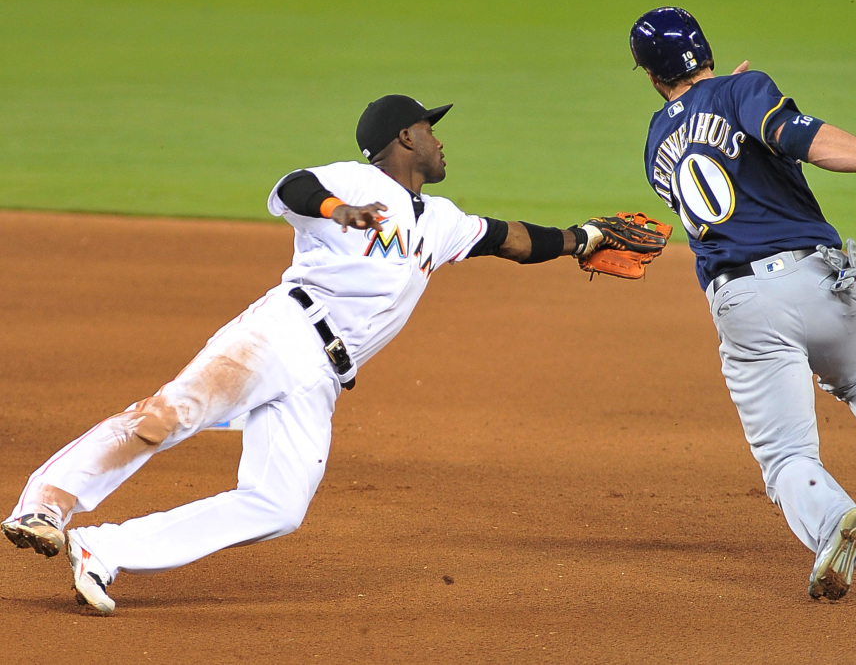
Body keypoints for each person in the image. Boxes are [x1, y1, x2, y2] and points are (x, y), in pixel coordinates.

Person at [2, 94, 620, 614]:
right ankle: (44, 507)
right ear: (404, 136)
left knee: (277, 504)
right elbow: (292, 188)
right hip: (282, 333)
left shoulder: (443, 221)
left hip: (322, 378)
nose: (440, 142)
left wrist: (580, 239)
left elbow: (510, 240)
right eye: (432, 130)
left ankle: (105, 550)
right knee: (169, 415)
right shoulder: (358, 181)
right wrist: (337, 210)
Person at [628, 7, 856, 600]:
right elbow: (800, 138)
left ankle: (832, 520)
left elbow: (708, 146)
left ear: (649, 74)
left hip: (749, 302)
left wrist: (719, 98)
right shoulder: (744, 89)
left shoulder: (653, 144)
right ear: (708, 50)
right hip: (828, 281)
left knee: (786, 455)